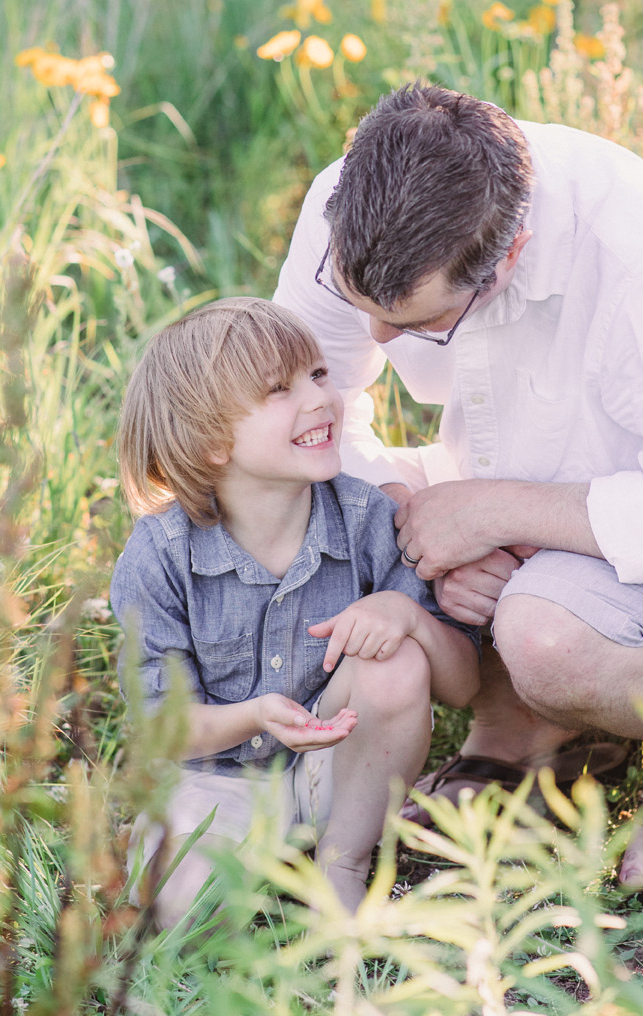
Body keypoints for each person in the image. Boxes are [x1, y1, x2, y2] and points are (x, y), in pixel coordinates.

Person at [273, 82, 643, 898]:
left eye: (418, 322)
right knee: (279, 486)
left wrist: (497, 512)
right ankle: (523, 730)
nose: (379, 340)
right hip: (509, 495)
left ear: (507, 258)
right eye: (362, 307)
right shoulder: (349, 203)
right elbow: (314, 405)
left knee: (544, 636)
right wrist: (415, 522)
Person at [110, 296, 479, 925]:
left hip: (338, 771)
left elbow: (464, 685)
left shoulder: (366, 520)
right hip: (214, 778)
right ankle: (188, 844)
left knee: (393, 662)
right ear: (209, 443)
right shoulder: (161, 555)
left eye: (317, 374)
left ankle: (342, 864)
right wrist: (253, 715)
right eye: (279, 389)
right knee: (172, 904)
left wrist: (409, 616)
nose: (319, 400)